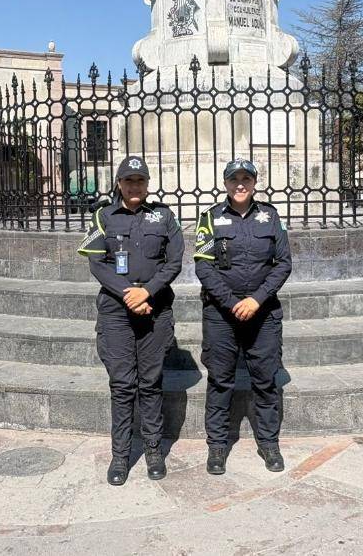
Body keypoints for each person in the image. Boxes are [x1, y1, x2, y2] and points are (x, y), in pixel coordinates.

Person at [77, 155, 184, 486]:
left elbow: (174, 262)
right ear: (119, 184)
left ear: (147, 184)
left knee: (150, 383)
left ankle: (153, 450)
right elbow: (97, 264)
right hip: (116, 314)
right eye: (128, 180)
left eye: (140, 180)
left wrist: (147, 293)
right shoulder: (103, 216)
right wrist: (129, 294)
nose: (134, 186)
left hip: (155, 311)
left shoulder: (164, 217)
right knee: (122, 385)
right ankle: (121, 455)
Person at [194, 158, 292, 475]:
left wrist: (256, 299)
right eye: (234, 179)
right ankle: (218, 448)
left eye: (246, 179)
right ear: (225, 183)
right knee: (220, 382)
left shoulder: (271, 216)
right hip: (221, 315)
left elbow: (283, 263)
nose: (240, 184)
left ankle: (269, 443)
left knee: (265, 382)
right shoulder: (209, 218)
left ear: (254, 183)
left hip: (262, 315)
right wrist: (233, 302)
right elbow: (203, 267)